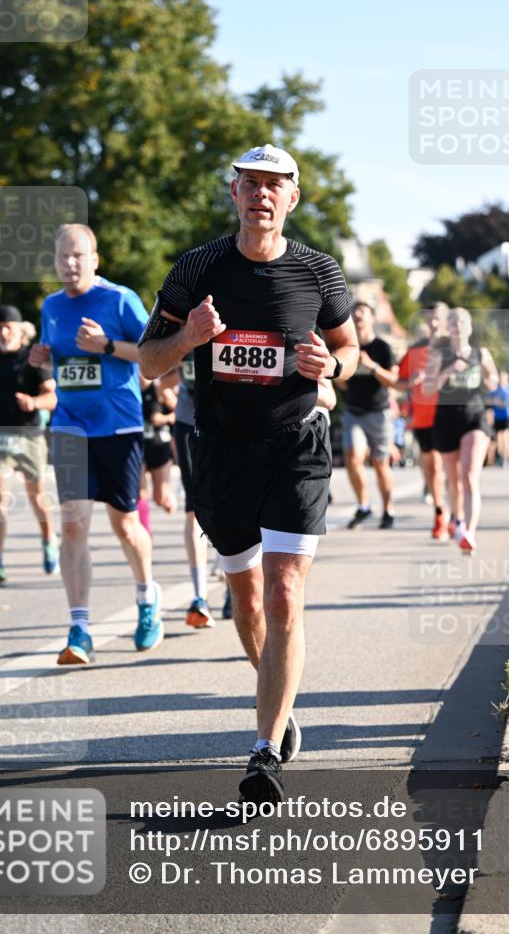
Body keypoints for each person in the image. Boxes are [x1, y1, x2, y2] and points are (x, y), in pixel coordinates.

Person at [138, 143, 358, 805]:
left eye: (275, 185)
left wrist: (334, 369)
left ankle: (263, 751)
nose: (261, 194)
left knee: (285, 591)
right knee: (248, 600)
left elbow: (349, 348)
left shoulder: (319, 274)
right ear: (232, 194)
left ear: (291, 198)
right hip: (221, 453)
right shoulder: (197, 268)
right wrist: (190, 338)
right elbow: (150, 362)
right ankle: (279, 703)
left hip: (296, 448)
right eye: (250, 183)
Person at [29, 223, 162, 665]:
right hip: (70, 424)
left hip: (118, 425)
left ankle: (147, 597)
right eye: (62, 256)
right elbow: (57, 357)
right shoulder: (50, 306)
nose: (69, 264)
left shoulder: (119, 299)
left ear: (94, 260)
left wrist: (106, 345)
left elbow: (154, 355)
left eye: (77, 256)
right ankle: (79, 626)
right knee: (72, 524)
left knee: (125, 524)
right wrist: (42, 357)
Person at [0, 306, 58, 584]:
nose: (4, 331)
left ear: (21, 329)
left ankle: (49, 540)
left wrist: (34, 403)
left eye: (9, 326)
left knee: (36, 494)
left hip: (29, 433)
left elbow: (52, 398)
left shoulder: (34, 359)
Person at [423, 307, 499, 553]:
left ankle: (469, 531)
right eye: (453, 321)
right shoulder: (438, 355)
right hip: (446, 420)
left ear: (470, 327)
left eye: (462, 321)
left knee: (469, 476)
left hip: (474, 418)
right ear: (448, 327)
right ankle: (457, 519)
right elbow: (426, 390)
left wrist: (490, 381)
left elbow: (494, 380)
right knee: (453, 482)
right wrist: (447, 371)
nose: (458, 325)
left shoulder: (481, 353)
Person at [337, 301, 398, 529]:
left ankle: (389, 509)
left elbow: (393, 381)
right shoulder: (347, 347)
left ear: (372, 318)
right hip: (354, 412)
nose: (358, 315)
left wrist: (372, 366)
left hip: (379, 412)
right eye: (355, 312)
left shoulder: (382, 348)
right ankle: (364, 506)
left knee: (380, 463)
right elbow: (341, 383)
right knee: (353, 459)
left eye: (363, 311)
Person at [172, 351, 219, 627]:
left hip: (230, 419)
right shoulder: (175, 313)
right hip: (188, 422)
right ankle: (200, 595)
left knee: (233, 507)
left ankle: (232, 588)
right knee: (194, 509)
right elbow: (152, 367)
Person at [395, 303, 449, 540]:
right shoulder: (415, 349)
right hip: (422, 418)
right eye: (430, 320)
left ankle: (455, 516)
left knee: (448, 469)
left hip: (449, 416)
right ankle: (440, 511)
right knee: (431, 468)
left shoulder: (454, 348)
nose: (433, 324)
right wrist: (410, 382)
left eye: (437, 319)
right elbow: (397, 382)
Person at [138, 373, 178, 536]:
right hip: (139, 446)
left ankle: (170, 496)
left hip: (159, 446)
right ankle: (145, 530)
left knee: (159, 498)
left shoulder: (160, 389)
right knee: (139, 492)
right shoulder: (130, 391)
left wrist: (162, 418)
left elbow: (179, 413)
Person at [489, 371, 509, 467]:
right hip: (497, 417)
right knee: (499, 438)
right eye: (500, 378)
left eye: (503, 378)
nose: (501, 380)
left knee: (506, 437)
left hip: (508, 416)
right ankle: (501, 457)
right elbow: (490, 401)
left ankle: (506, 459)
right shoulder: (494, 390)